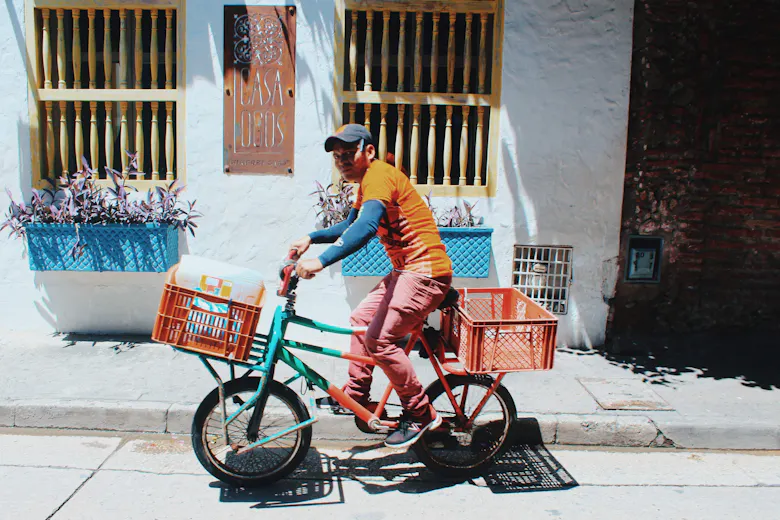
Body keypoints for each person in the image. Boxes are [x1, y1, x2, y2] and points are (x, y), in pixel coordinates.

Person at [289, 124, 453, 448]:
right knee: (361, 321)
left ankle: (422, 414)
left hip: (425, 272)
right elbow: (349, 224)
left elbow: (365, 228)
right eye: (338, 157)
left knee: (380, 340)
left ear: (369, 151)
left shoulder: (379, 175)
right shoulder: (367, 183)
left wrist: (321, 262)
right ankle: (356, 398)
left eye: (349, 154)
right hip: (407, 270)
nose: (343, 161)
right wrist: (311, 238)